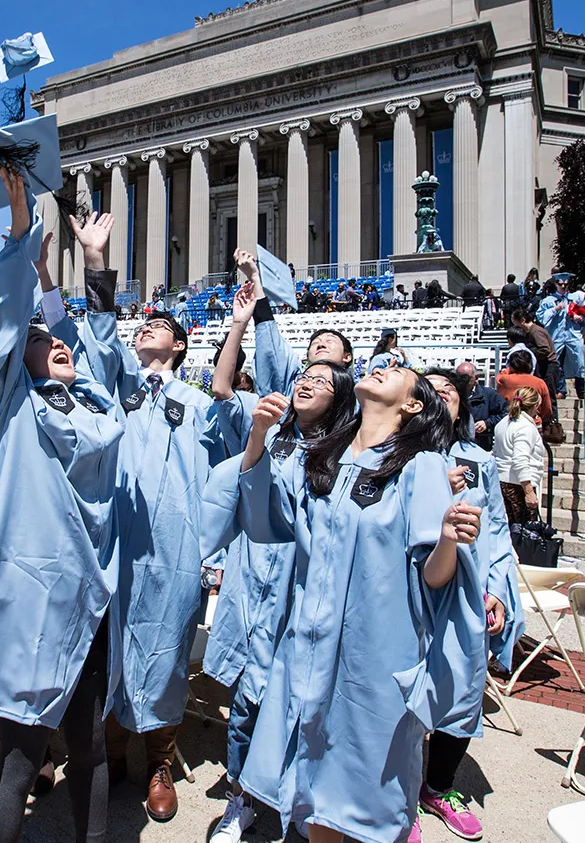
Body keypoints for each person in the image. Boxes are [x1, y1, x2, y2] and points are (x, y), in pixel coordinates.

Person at [232, 366, 481, 843]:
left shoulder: (420, 465)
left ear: (412, 405)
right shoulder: (325, 459)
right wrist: (258, 437)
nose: (381, 367)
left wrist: (449, 539)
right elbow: (269, 519)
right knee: (314, 792)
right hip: (308, 650)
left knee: (356, 795)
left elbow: (433, 576)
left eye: (397, 373)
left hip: (371, 660)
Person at [0, 175, 124, 843]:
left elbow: (99, 346)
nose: (59, 343)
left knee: (89, 748)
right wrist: (22, 230)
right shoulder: (7, 407)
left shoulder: (98, 409)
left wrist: (96, 266)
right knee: (21, 756)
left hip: (91, 599)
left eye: (60, 339)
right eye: (43, 340)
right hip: (30, 601)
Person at [68, 228, 245, 825]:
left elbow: (231, 433)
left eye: (157, 327)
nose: (145, 329)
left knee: (167, 651)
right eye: (139, 327)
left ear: (180, 344)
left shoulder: (198, 404)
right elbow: (97, 338)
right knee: (112, 644)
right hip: (115, 539)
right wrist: (95, 260)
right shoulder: (116, 392)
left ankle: (159, 762)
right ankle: (113, 751)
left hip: (175, 547)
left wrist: (240, 327)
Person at [201, 254, 360, 843]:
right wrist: (252, 304)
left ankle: (300, 805)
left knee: (299, 706)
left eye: (325, 359)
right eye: (308, 355)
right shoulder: (276, 427)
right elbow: (232, 383)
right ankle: (242, 799)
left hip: (304, 596)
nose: (310, 364)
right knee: (247, 699)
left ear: (345, 377)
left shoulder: (348, 453)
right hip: (255, 583)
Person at [420, 369, 523, 843]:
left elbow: (498, 533)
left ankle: (438, 786)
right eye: (432, 391)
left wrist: (498, 590)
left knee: (463, 689)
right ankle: (393, 796)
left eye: (451, 392)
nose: (443, 397)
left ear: (463, 407)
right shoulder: (396, 456)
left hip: (464, 594)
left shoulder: (480, 460)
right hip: (411, 592)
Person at [494, 387, 547, 525]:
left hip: (503, 481)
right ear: (536, 406)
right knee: (525, 531)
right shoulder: (525, 427)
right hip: (519, 484)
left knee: (513, 528)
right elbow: (520, 460)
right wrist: (529, 492)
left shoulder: (502, 423)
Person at [537, 274, 585, 400]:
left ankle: (581, 390)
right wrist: (555, 309)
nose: (563, 286)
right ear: (556, 284)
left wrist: (579, 318)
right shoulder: (548, 301)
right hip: (556, 335)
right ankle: (561, 389)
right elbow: (541, 317)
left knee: (579, 361)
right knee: (556, 362)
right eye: (560, 284)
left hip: (573, 334)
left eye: (565, 284)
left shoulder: (575, 298)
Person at [458, 360, 507, 452]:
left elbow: (506, 413)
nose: (461, 381)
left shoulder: (489, 395)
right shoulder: (452, 395)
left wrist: (487, 423)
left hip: (482, 444)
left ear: (476, 378)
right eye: (458, 378)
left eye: (465, 378)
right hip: (457, 445)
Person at [496, 346, 552, 424]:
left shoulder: (504, 379)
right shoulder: (540, 382)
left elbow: (499, 378)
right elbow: (547, 409)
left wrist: (507, 370)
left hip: (510, 421)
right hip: (534, 422)